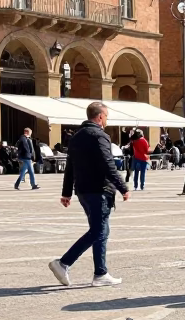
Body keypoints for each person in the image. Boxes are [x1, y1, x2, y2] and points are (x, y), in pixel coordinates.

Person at [50, 101, 129, 288]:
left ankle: (101, 273)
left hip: (83, 191)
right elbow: (107, 163)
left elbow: (70, 166)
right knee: (98, 231)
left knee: (101, 231)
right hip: (99, 190)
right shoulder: (99, 136)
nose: (107, 120)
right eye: (106, 116)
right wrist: (122, 186)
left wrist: (67, 192)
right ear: (100, 116)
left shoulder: (76, 137)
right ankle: (63, 263)